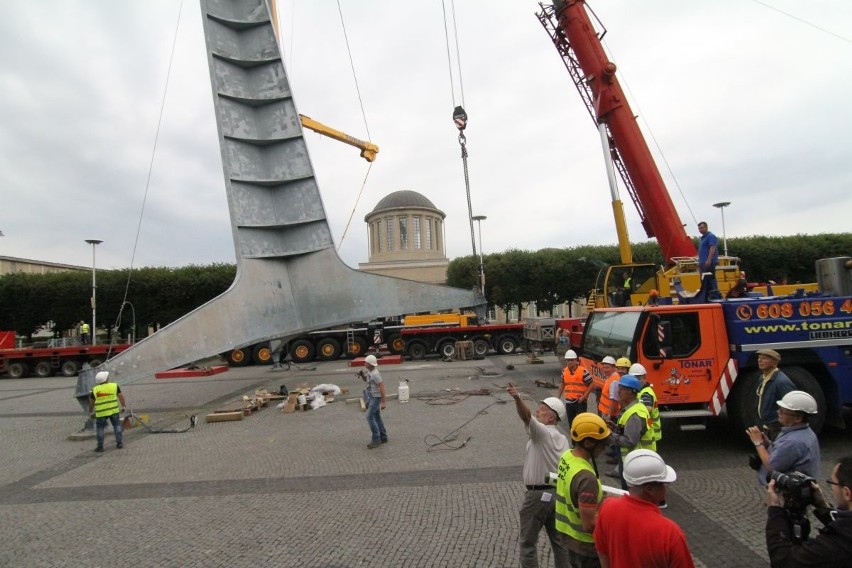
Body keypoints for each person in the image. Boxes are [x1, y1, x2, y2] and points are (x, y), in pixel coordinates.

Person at [594, 450, 695, 568]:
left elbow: (602, 553)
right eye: (663, 484)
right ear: (649, 489)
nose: (665, 489)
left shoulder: (607, 507)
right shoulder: (670, 532)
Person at [507, 383, 571, 568]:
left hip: (537, 496)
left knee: (527, 543)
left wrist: (517, 398)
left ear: (552, 418)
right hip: (555, 494)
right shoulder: (562, 439)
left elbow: (526, 416)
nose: (537, 411)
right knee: (559, 542)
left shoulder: (542, 434)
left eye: (542, 410)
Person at [765, 455, 852, 566]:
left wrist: (775, 509)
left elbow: (783, 560)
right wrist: (823, 506)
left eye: (832, 483)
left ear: (847, 493)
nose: (832, 488)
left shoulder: (837, 543)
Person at [555, 413, 611, 568]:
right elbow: (589, 525)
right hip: (587, 548)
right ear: (588, 443)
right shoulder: (586, 478)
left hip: (569, 538)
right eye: (601, 444)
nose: (604, 448)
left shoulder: (567, 456)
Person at [746, 390, 820, 488]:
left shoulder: (793, 441)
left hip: (787, 493)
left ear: (798, 418)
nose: (778, 412)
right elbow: (782, 450)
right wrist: (767, 443)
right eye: (779, 409)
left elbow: (772, 466)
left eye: (783, 411)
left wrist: (758, 443)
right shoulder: (803, 432)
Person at [607, 375, 653, 490]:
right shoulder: (632, 408)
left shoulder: (634, 414)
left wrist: (610, 434)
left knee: (628, 491)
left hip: (634, 460)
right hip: (632, 459)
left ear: (631, 392)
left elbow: (630, 441)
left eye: (622, 389)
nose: (619, 391)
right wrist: (616, 428)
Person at [755, 349, 796, 441]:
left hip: (777, 427)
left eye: (764, 358)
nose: (760, 360)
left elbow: (791, 406)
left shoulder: (782, 382)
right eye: (759, 358)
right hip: (767, 426)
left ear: (774, 362)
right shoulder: (762, 378)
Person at [88, 371, 126, 452]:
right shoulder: (114, 386)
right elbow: (121, 396)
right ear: (106, 379)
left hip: (101, 413)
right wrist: (123, 406)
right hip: (113, 410)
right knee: (117, 426)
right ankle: (119, 443)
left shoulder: (95, 390)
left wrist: (90, 411)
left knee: (100, 429)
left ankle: (100, 446)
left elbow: (91, 402)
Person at [557, 350, 595, 427]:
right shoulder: (564, 371)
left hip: (580, 402)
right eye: (568, 360)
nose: (570, 362)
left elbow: (592, 383)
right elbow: (562, 384)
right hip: (569, 403)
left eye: (572, 360)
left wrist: (584, 396)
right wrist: (557, 398)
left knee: (582, 424)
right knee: (572, 424)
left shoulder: (583, 371)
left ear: (576, 360)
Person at [630, 363, 661, 449]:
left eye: (638, 378)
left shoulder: (646, 393)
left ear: (644, 377)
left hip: (648, 434)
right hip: (646, 432)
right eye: (633, 379)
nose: (635, 381)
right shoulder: (641, 391)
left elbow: (648, 409)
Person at [362, 354, 387, 449]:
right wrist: (362, 376)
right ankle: (383, 436)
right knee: (377, 416)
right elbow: (367, 381)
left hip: (376, 398)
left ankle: (376, 439)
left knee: (369, 417)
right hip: (372, 396)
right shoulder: (369, 371)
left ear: (371, 364)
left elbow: (382, 387)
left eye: (366, 362)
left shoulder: (375, 374)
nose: (364, 363)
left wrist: (383, 402)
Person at [596, 357, 620, 422]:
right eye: (603, 367)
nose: (605, 370)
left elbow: (614, 400)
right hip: (605, 412)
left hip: (609, 414)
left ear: (614, 368)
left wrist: (610, 415)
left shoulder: (614, 381)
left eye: (607, 368)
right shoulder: (610, 377)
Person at [697, 221, 719, 293]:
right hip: (702, 263)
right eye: (699, 228)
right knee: (704, 281)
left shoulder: (711, 236)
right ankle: (707, 295)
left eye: (702, 228)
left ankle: (714, 295)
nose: (700, 230)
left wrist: (709, 260)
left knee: (711, 280)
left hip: (709, 263)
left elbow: (712, 248)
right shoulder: (702, 238)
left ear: (706, 227)